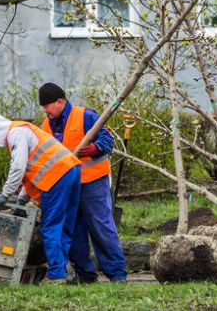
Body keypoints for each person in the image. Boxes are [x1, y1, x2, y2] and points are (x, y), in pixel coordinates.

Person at [38, 82, 127, 284]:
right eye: (43, 107)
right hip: (66, 187)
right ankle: (85, 275)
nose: (45, 110)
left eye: (47, 105)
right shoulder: (45, 125)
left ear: (60, 101)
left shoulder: (85, 116)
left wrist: (95, 148)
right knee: (73, 231)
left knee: (101, 227)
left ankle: (117, 275)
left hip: (92, 182)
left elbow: (107, 140)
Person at [0, 113, 81, 285]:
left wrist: (6, 194)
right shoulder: (24, 129)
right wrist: (21, 199)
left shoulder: (16, 133)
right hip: (71, 170)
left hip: (55, 177)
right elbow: (33, 167)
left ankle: (56, 276)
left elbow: (18, 167)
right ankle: (65, 271)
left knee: (50, 227)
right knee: (65, 225)